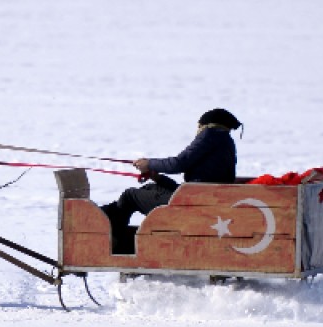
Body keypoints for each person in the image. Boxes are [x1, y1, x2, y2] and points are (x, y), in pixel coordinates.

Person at [101, 108, 242, 253]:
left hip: (193, 205)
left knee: (130, 196)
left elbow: (178, 163)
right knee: (149, 188)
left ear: (206, 125)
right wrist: (158, 177)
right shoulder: (225, 141)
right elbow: (193, 184)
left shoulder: (210, 135)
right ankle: (106, 218)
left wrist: (148, 163)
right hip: (200, 200)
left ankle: (114, 240)